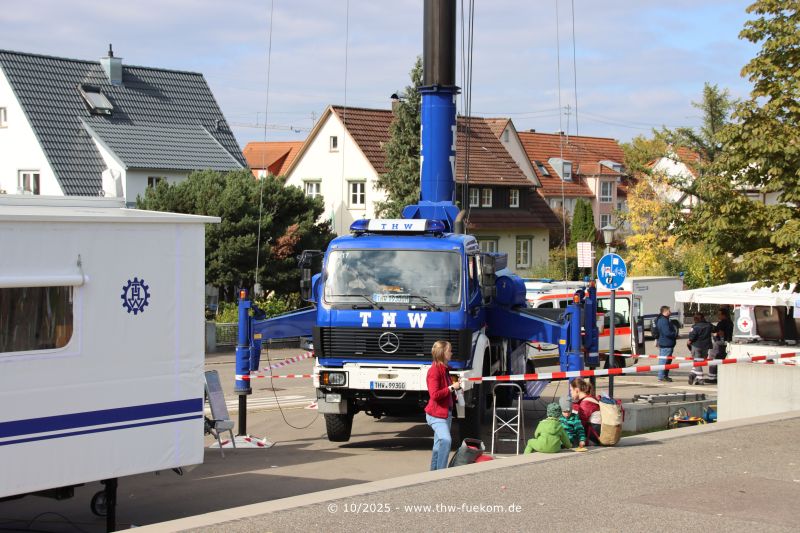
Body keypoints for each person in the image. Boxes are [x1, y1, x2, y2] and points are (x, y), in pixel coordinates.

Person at [424, 340, 460, 470]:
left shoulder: (445, 369)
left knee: (438, 446)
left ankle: (433, 474)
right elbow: (434, 395)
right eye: (449, 350)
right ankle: (441, 473)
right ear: (442, 353)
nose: (451, 353)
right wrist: (451, 388)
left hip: (445, 414)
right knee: (446, 440)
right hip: (436, 415)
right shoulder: (434, 371)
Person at [570, 377, 601, 445]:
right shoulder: (590, 398)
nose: (571, 393)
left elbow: (580, 424)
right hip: (597, 433)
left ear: (577, 390)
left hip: (594, 437)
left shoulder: (586, 403)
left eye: (571, 390)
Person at [707, 307, 733, 384]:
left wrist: (717, 336)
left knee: (713, 358)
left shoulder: (722, 323)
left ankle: (712, 378)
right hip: (727, 343)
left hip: (719, 343)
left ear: (723, 315)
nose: (718, 316)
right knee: (721, 360)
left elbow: (721, 332)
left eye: (719, 314)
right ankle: (719, 376)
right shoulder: (730, 322)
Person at [687, 312, 713, 385]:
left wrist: (689, 341)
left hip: (696, 346)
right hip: (706, 346)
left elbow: (692, 336)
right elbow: (715, 329)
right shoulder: (709, 325)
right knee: (701, 362)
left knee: (697, 362)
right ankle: (692, 374)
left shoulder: (695, 327)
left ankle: (700, 378)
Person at [654, 305, 678, 382]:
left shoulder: (662, 319)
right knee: (664, 361)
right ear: (666, 312)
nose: (670, 312)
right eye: (669, 311)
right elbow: (667, 332)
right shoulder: (663, 321)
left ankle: (664, 375)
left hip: (666, 343)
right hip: (666, 343)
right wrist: (675, 334)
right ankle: (661, 376)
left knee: (667, 360)